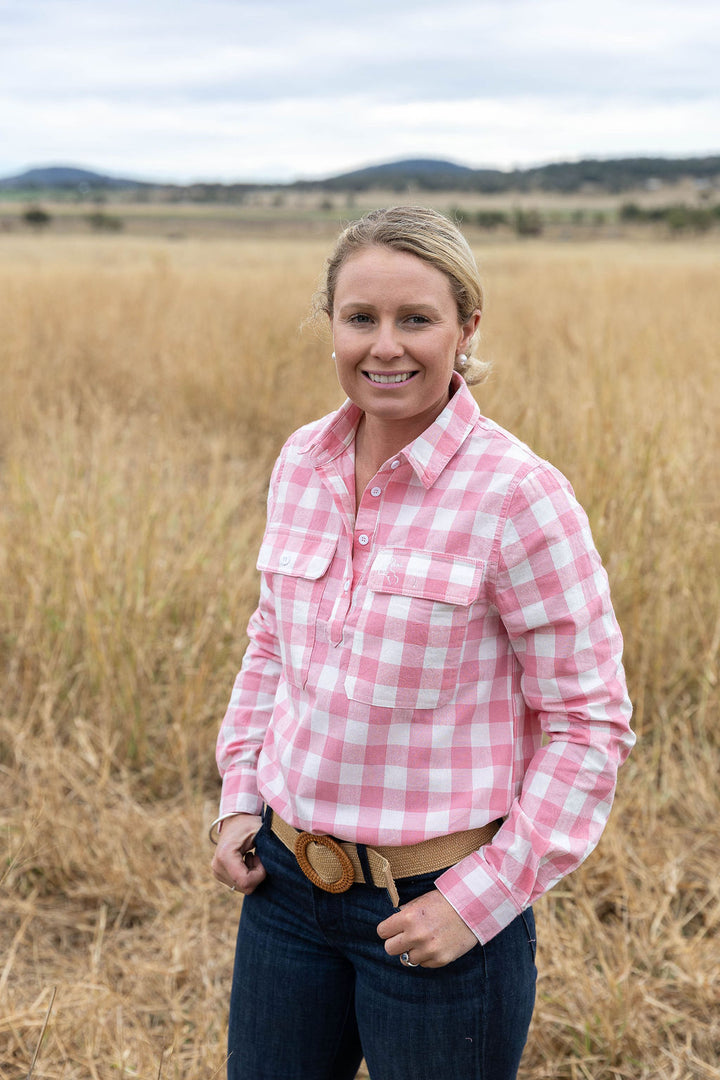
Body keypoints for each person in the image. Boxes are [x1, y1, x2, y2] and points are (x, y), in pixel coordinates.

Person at [210, 205, 634, 1080]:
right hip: (284, 894)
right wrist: (239, 795)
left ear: (466, 327)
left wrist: (485, 899)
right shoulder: (301, 463)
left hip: (438, 913)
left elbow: (590, 725)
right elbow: (271, 647)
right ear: (331, 322)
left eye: (417, 319)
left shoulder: (519, 496)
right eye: (361, 317)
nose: (385, 346)